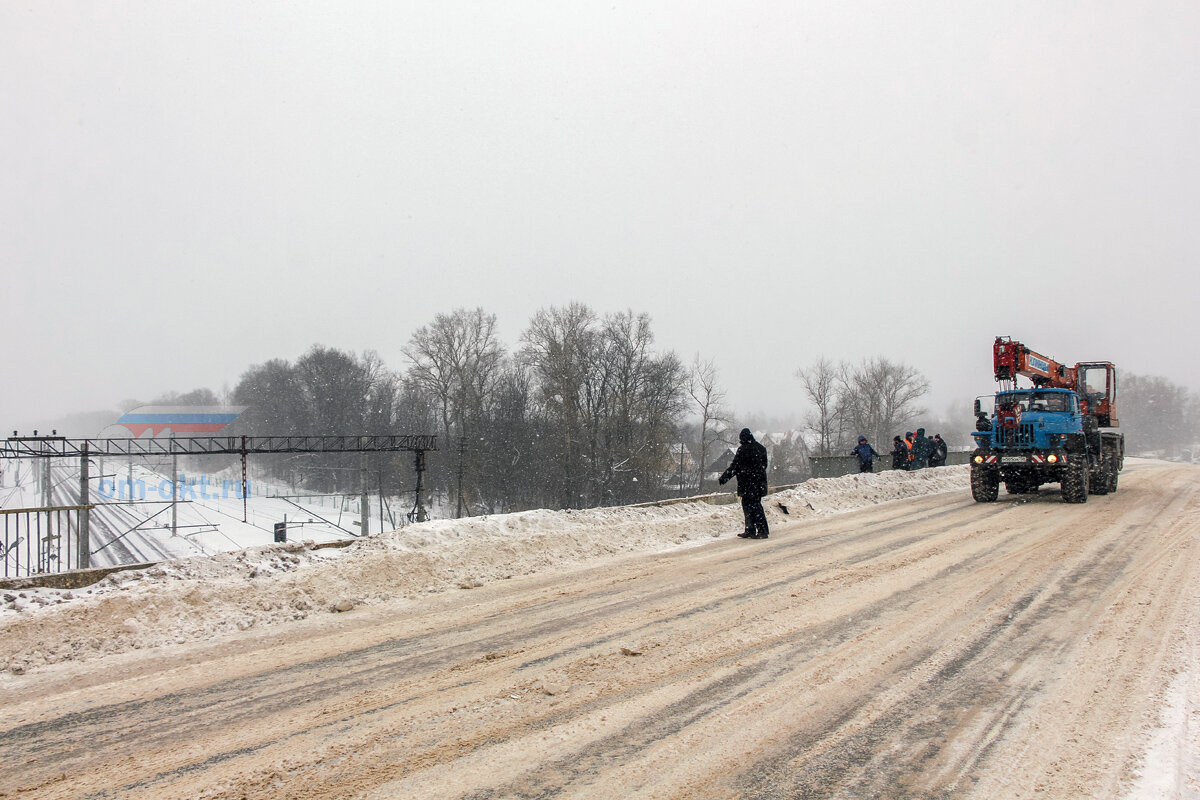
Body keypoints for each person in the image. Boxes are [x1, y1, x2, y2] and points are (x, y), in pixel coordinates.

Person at [719, 428, 770, 539]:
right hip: (758, 484)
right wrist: (756, 474)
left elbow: (735, 467)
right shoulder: (761, 449)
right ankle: (757, 530)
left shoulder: (742, 450)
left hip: (747, 484)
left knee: (749, 507)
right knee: (755, 506)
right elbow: (764, 466)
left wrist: (724, 478)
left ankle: (756, 531)